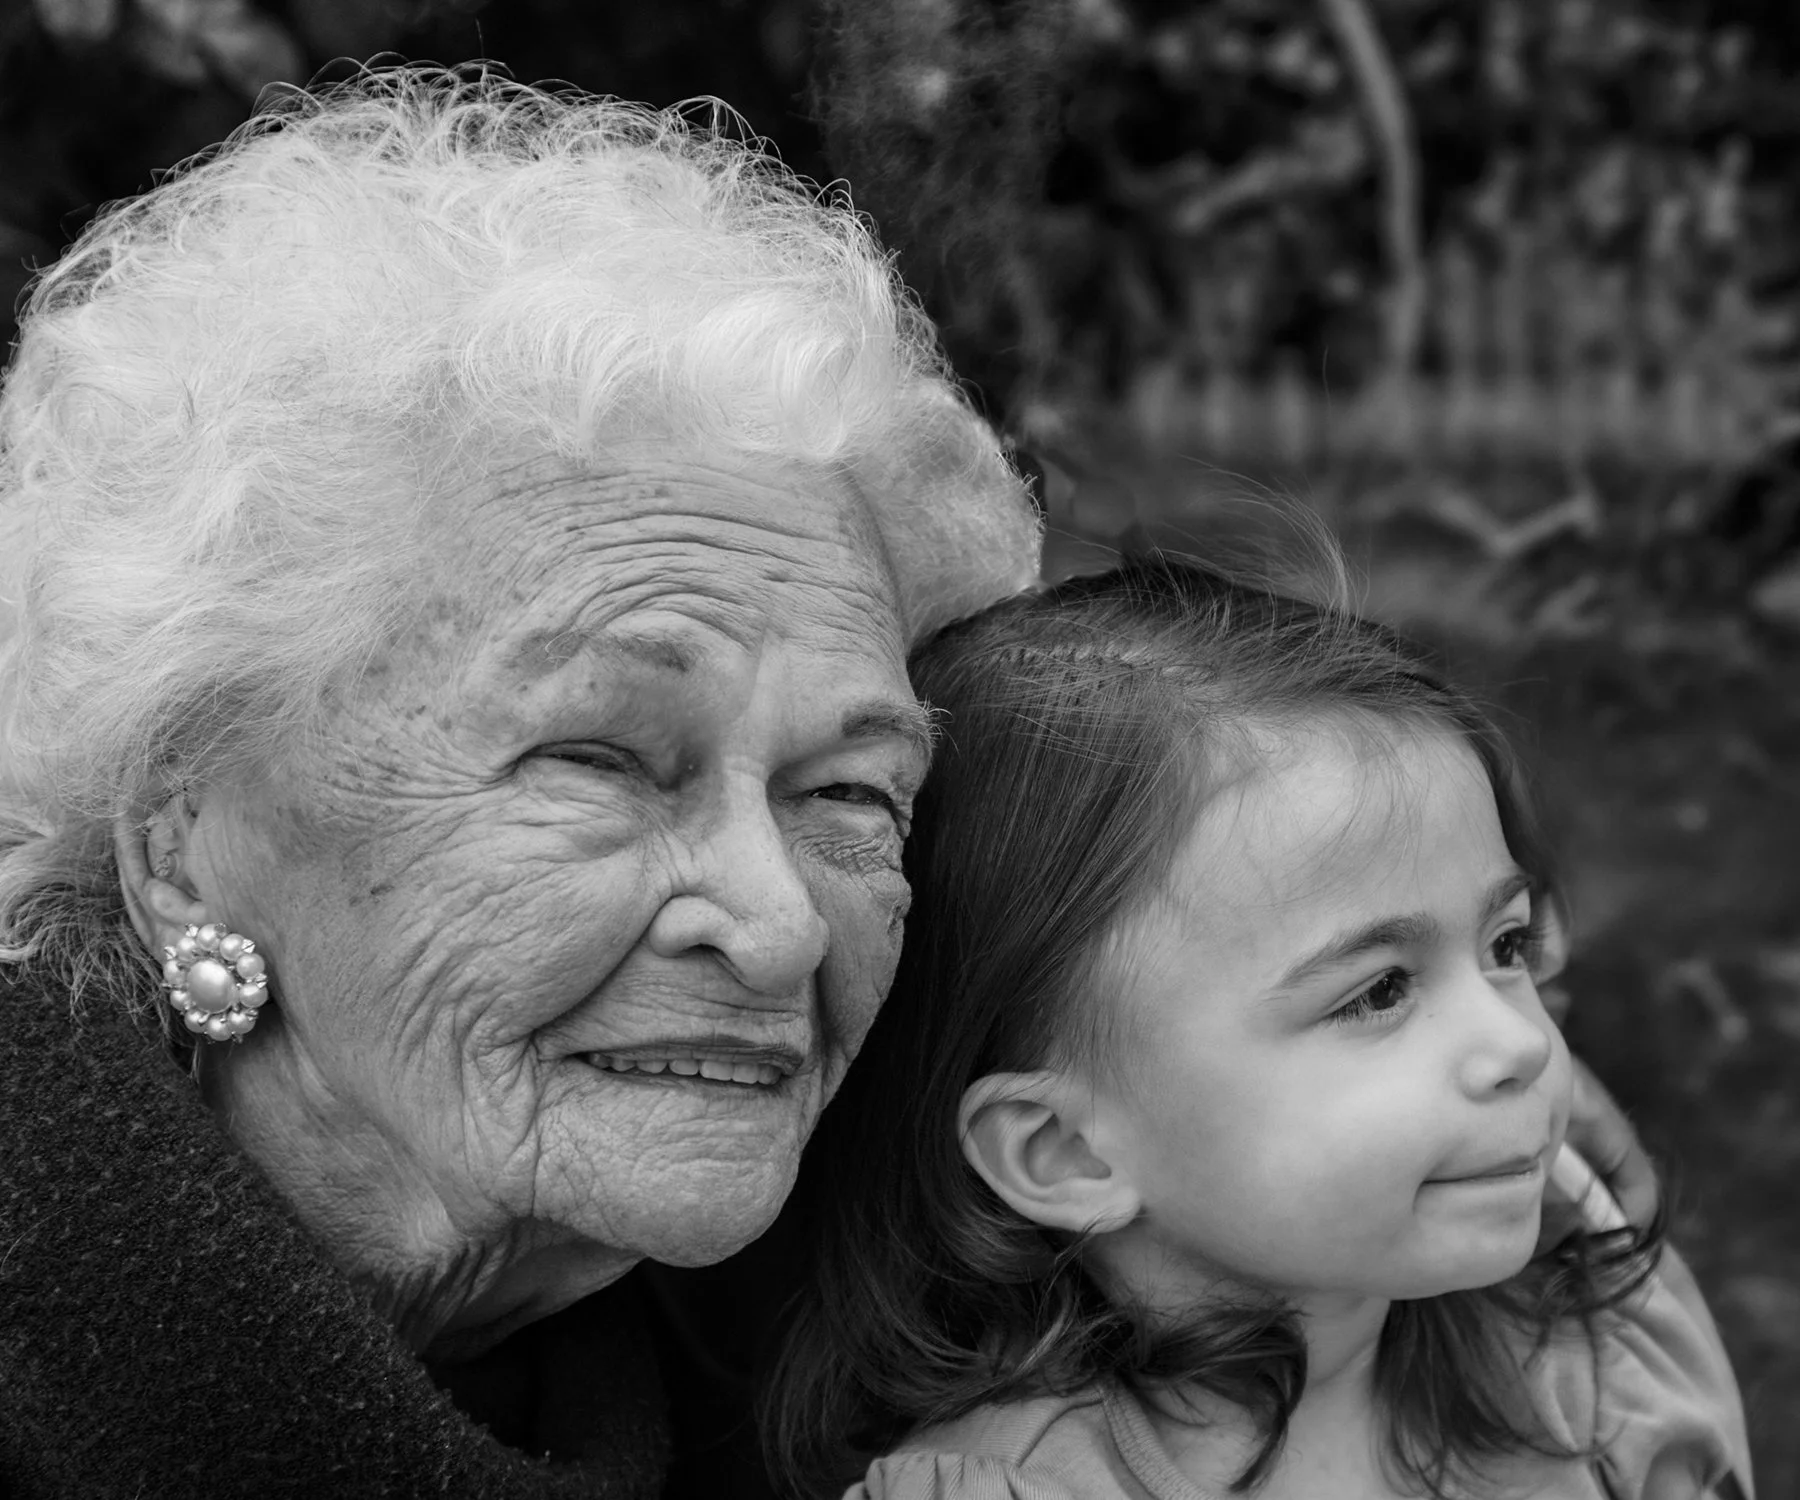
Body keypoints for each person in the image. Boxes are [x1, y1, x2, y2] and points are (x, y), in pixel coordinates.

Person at [0, 66, 1040, 1498]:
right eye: (599, 759)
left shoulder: (898, 1421)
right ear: (181, 841)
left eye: (850, 794)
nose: (780, 927)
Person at [771, 555, 1752, 1500]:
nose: (1522, 1044)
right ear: (1067, 1152)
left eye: (1507, 944)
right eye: (1378, 992)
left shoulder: (1598, 1362)